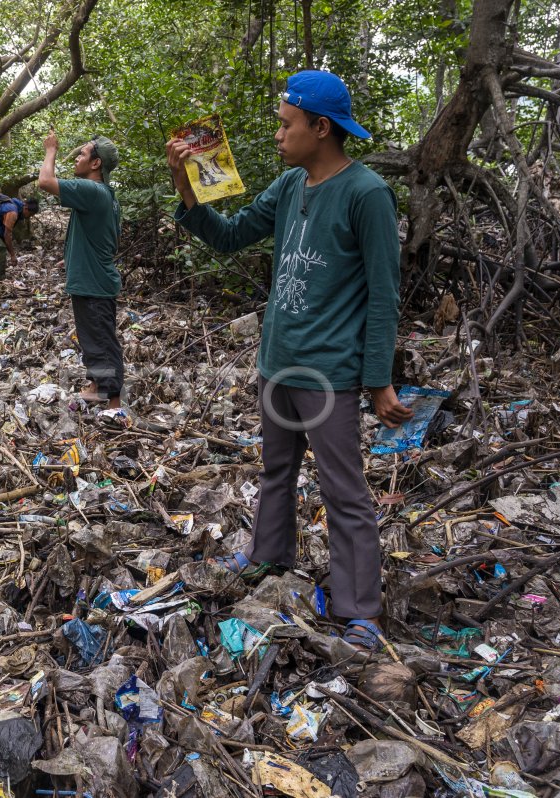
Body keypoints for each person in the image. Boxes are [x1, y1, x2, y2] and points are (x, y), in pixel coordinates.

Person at [165, 70, 413, 652]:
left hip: (330, 370)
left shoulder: (367, 194)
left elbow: (385, 292)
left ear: (320, 128)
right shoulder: (288, 186)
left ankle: (361, 610)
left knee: (343, 491)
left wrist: (378, 380)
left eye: (285, 124)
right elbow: (228, 237)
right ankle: (269, 553)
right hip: (278, 360)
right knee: (276, 470)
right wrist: (186, 186)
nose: (278, 135)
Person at [37, 131, 124, 409]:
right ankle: (97, 385)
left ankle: (113, 402)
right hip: (92, 278)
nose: (77, 158)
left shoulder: (92, 190)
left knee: (100, 339)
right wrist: (73, 258)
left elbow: (45, 182)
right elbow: (105, 239)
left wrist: (50, 150)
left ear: (96, 164)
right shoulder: (108, 197)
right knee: (93, 337)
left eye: (83, 154)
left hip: (94, 283)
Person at [0, 195, 39, 280]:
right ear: (26, 208)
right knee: (0, 249)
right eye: (30, 214)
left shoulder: (16, 206)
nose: (29, 217)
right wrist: (12, 255)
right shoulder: (13, 212)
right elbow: (7, 234)